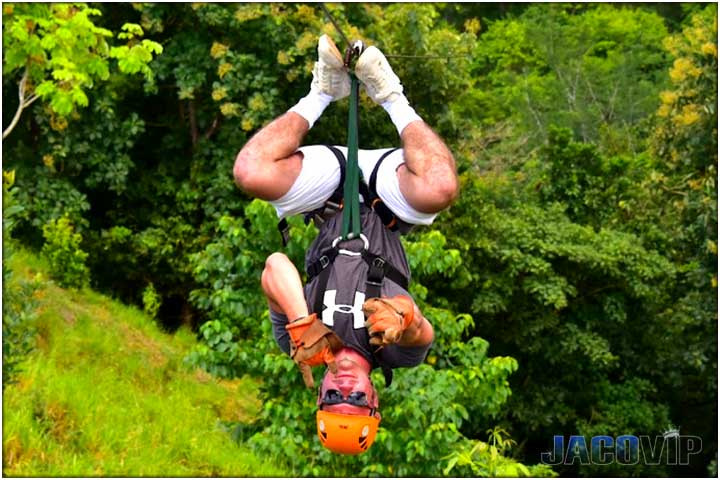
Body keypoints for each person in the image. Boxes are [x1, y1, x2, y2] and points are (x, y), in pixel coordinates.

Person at [233, 34, 458, 454]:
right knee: (440, 188)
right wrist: (404, 315)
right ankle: (391, 96)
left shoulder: (295, 345)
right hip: (386, 200)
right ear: (374, 400)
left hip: (330, 197)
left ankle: (322, 92)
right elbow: (419, 331)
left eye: (334, 399)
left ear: (320, 396)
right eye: (356, 401)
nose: (345, 390)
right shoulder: (396, 357)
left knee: (250, 171)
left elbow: (275, 266)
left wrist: (303, 322)